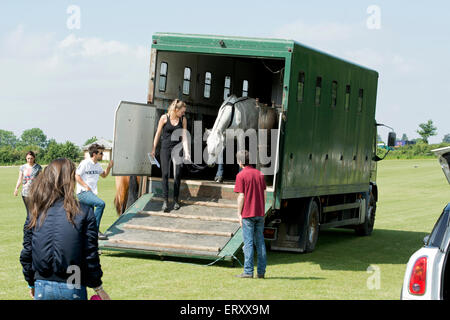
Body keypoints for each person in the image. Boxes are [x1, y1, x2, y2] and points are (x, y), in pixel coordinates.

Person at [20, 158, 110, 300]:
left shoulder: (35, 211)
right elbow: (90, 255)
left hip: (42, 285)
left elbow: (27, 252)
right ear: (70, 180)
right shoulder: (84, 212)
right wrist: (98, 287)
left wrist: (31, 282)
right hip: (72, 283)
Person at [151, 99, 190, 212]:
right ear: (176, 109)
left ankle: (176, 200)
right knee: (165, 174)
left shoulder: (183, 119)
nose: (183, 113)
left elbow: (184, 137)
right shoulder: (164, 118)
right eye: (182, 111)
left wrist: (186, 152)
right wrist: (153, 148)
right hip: (165, 148)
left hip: (177, 149)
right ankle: (165, 201)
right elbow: (158, 133)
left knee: (177, 174)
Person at [233, 150, 267, 279]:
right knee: (260, 242)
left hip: (247, 214)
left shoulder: (241, 175)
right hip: (259, 213)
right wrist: (262, 210)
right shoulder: (260, 174)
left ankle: (248, 271)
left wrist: (239, 213)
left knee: (248, 243)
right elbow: (264, 194)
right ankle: (261, 272)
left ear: (240, 162)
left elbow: (241, 196)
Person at [75, 143, 113, 240]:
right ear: (94, 154)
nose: (102, 155)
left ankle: (83, 235)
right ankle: (95, 231)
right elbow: (76, 176)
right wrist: (85, 186)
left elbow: (104, 175)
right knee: (101, 204)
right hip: (83, 193)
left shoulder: (97, 165)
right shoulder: (85, 163)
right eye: (101, 153)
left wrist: (109, 167)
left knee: (87, 216)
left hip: (91, 194)